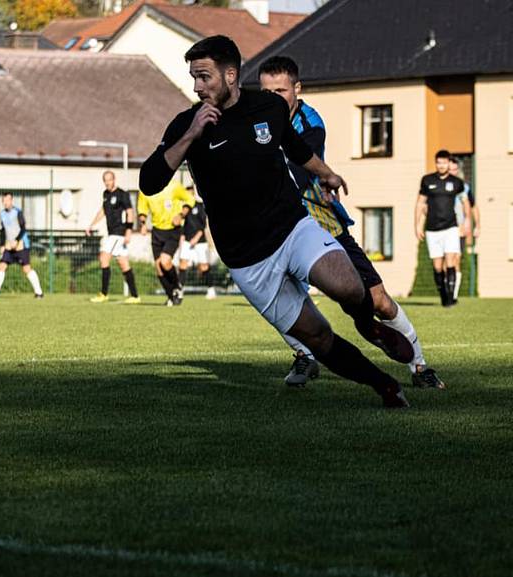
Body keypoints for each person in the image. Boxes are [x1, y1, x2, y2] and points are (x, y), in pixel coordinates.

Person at [140, 35, 410, 407]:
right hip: (248, 260)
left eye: (204, 77)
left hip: (291, 227)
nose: (197, 86)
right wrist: (191, 135)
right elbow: (149, 182)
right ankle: (384, 386)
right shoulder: (187, 124)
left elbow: (295, 149)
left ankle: (370, 327)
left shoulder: (268, 107)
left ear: (231, 74)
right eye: (194, 78)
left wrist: (326, 173)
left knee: (347, 285)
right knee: (317, 337)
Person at [259, 55, 444, 390]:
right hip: (278, 225)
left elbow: (299, 168)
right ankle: (304, 355)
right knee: (277, 298)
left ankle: (419, 365)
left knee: (379, 301)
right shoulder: (255, 122)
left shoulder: (310, 122)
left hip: (321, 221)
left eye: (281, 90)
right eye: (266, 91)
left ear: (297, 90)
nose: (273, 98)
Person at [415, 150, 468, 307]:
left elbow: (465, 202)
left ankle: (451, 298)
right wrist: (417, 225)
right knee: (438, 266)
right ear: (436, 163)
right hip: (432, 230)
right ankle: (444, 295)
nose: (442, 165)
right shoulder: (427, 180)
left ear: (448, 163)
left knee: (450, 261)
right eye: (439, 162)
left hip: (450, 228)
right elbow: (420, 203)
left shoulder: (457, 183)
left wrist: (466, 223)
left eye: (444, 162)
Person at [136, 178, 195, 306]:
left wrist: (181, 215)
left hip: (173, 230)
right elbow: (142, 208)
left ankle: (177, 286)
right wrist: (143, 223)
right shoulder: (146, 189)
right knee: (159, 268)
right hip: (157, 231)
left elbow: (190, 199)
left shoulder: (173, 186)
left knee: (165, 261)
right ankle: (171, 297)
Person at [85, 171, 141, 304]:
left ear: (114, 180)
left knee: (104, 258)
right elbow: (103, 211)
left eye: (109, 180)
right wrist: (91, 225)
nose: (107, 183)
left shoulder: (123, 194)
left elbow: (130, 212)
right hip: (112, 233)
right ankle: (135, 296)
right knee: (123, 264)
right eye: (105, 180)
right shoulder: (106, 194)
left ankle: (103, 294)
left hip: (119, 233)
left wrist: (128, 231)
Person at [0, 192, 44, 299]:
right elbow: (3, 230)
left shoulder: (18, 212)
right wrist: (2, 244)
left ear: (12, 200)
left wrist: (16, 240)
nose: (6, 202)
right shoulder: (2, 214)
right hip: (9, 246)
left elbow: (23, 228)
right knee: (1, 266)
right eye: (4, 200)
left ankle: (39, 293)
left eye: (7, 200)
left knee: (26, 269)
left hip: (21, 245)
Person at [178, 187, 216, 300]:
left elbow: (202, 226)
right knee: (182, 264)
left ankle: (211, 290)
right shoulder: (184, 209)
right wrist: (182, 238)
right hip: (187, 241)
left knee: (203, 266)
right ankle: (180, 289)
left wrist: (196, 238)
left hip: (199, 242)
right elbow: (184, 226)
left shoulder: (199, 206)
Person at [448, 156, 478, 301]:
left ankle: (453, 293)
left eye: (454, 169)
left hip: (458, 228)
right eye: (450, 169)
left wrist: (474, 225)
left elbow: (473, 207)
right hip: (442, 228)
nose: (452, 172)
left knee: (456, 259)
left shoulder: (464, 188)